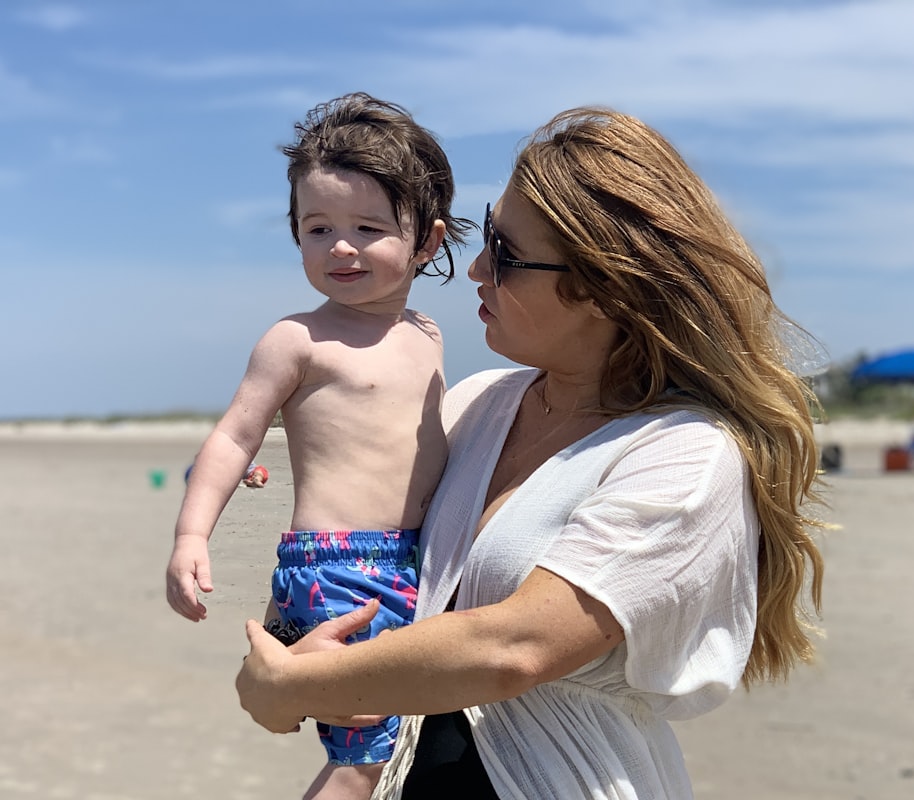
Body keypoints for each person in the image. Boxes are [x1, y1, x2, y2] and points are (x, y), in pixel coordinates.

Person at [236, 106, 827, 800]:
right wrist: (279, 655)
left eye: (508, 255)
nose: (477, 268)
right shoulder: (477, 403)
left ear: (604, 286)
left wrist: (295, 684)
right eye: (487, 235)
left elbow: (515, 649)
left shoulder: (686, 456)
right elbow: (357, 556)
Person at [165, 93, 472, 799]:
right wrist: (191, 534)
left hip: (411, 559)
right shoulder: (297, 338)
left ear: (426, 242)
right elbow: (235, 435)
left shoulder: (426, 334)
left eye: (368, 227)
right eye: (317, 227)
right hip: (339, 565)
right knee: (364, 752)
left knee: (402, 744)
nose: (340, 245)